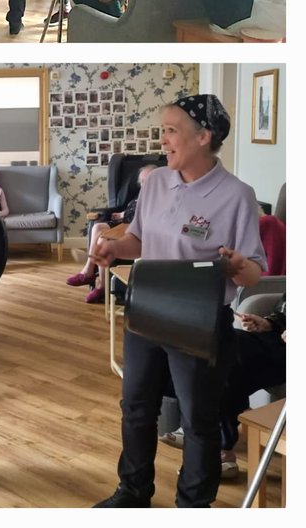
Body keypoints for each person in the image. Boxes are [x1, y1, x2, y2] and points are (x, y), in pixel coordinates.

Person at [89, 95, 265, 508]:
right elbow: (140, 239)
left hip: (199, 321)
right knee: (135, 407)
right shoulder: (155, 184)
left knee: (198, 421)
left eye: (171, 130)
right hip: (146, 308)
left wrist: (239, 265)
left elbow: (255, 269)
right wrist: (115, 249)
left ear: (204, 137)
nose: (162, 139)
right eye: (163, 130)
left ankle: (192, 505)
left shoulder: (236, 195)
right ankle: (133, 492)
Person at [66, 164, 156, 303]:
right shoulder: (140, 195)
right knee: (97, 227)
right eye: (142, 181)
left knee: (103, 240)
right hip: (124, 222)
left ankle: (101, 285)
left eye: (148, 180)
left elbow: (144, 215)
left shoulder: (158, 196)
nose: (145, 184)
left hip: (134, 227)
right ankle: (88, 269)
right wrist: (121, 214)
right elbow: (132, 209)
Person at [218, 299, 285, 478]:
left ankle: (221, 446)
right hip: (275, 340)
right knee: (225, 346)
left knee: (235, 364)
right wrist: (268, 323)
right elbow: (285, 311)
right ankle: (202, 428)